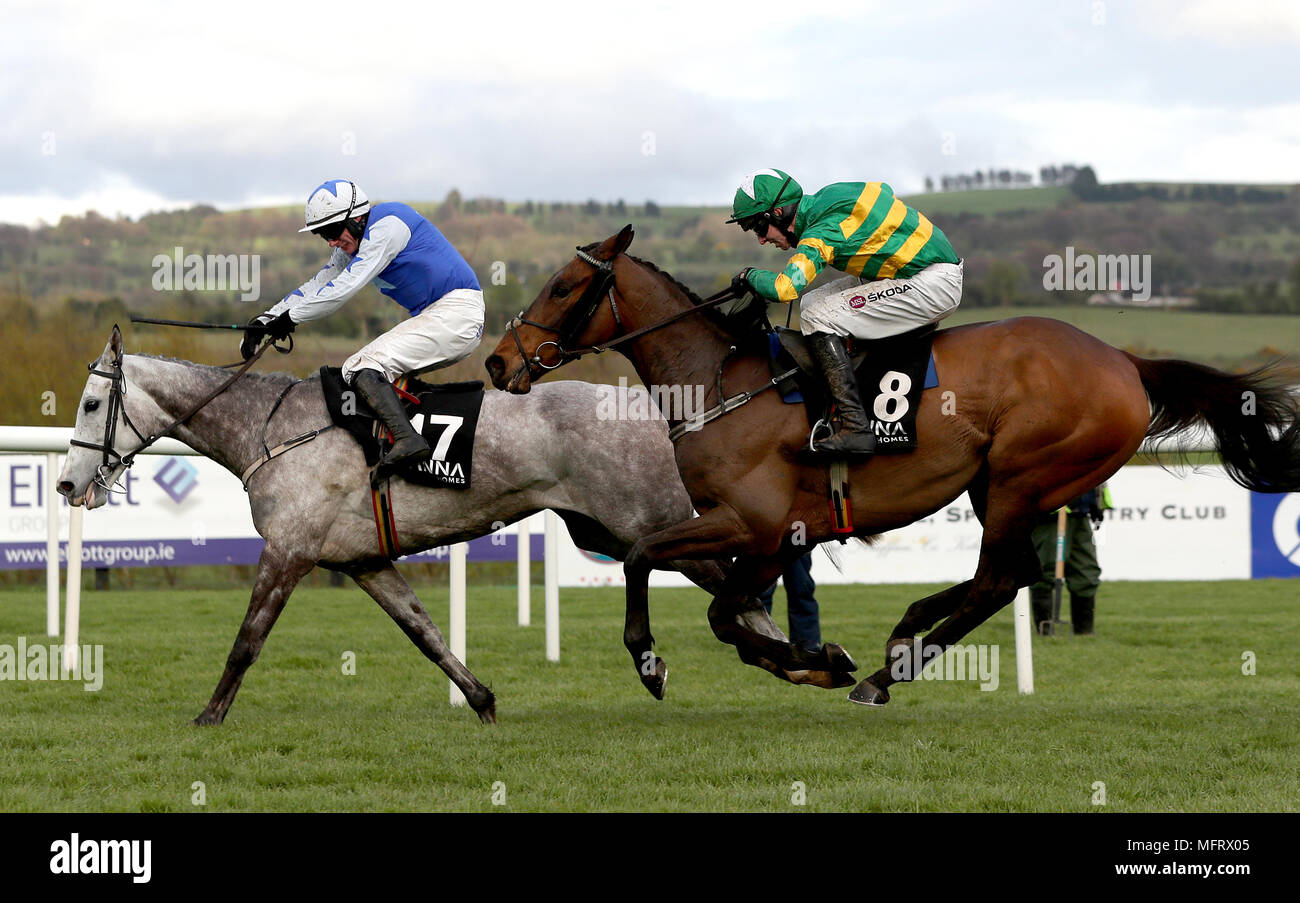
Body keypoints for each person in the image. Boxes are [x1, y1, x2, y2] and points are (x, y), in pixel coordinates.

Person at [241, 179, 485, 475]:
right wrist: (267, 319)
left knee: (359, 366)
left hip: (456, 315)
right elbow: (319, 284)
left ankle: (408, 440)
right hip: (441, 317)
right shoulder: (354, 242)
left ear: (357, 218)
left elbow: (342, 289)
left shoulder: (387, 226)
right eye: (323, 236)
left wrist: (291, 319)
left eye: (332, 232)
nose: (331, 242)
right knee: (369, 370)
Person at [727, 169, 963, 458]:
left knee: (818, 317)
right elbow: (883, 188)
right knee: (811, 304)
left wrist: (749, 275)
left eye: (758, 228)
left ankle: (856, 428)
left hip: (931, 284)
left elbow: (785, 288)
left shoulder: (821, 232)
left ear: (777, 212)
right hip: (910, 271)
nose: (761, 240)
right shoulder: (829, 196)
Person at [1029, 484, 1113, 635]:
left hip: (1081, 513)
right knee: (1045, 571)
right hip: (1050, 516)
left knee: (1086, 573)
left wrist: (1097, 504)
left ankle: (1084, 633)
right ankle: (1046, 631)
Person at [760, 552, 822, 654]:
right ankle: (757, 643)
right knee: (760, 593)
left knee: (801, 590)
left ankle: (807, 649)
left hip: (799, 538)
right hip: (769, 538)